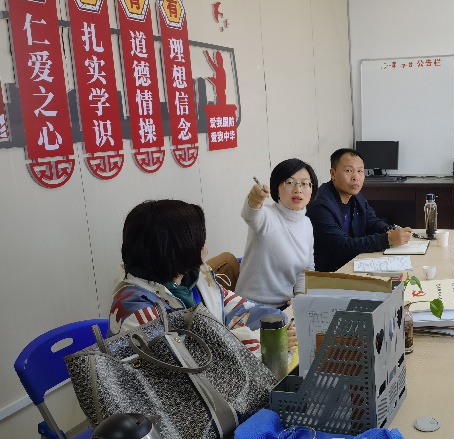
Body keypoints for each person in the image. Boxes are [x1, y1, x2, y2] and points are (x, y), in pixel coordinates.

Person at [109, 200, 296, 359]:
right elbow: (189, 364)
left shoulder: (195, 279)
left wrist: (280, 326)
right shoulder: (135, 307)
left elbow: (242, 310)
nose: (205, 244)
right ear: (180, 247)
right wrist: (264, 340)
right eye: (200, 238)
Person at [306, 148, 412, 272]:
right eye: (348, 170)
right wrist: (387, 239)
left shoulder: (356, 197)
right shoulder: (320, 204)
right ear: (333, 174)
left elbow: (372, 222)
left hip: (351, 263)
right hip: (328, 272)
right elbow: (341, 246)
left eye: (360, 171)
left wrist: (390, 230)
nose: (355, 177)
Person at [236, 158, 317, 309]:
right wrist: (254, 200)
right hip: (252, 308)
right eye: (289, 182)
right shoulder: (268, 217)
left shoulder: (306, 223)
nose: (298, 189)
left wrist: (299, 297)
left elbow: (306, 269)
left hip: (286, 306)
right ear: (277, 188)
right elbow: (250, 215)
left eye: (305, 183)